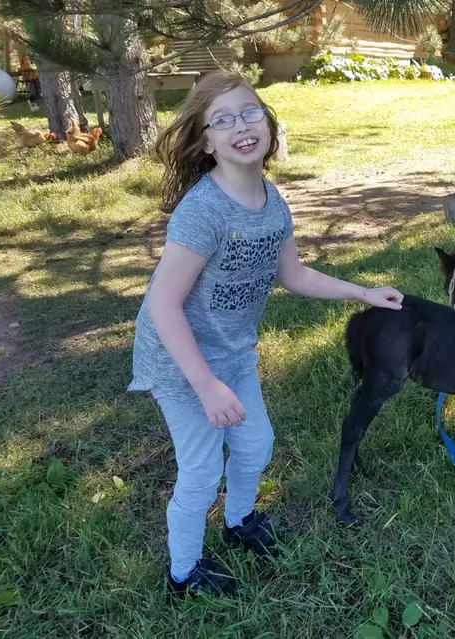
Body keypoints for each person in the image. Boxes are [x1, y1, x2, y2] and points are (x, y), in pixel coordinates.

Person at [128, 70, 403, 599]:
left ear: (269, 123)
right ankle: (183, 573)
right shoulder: (202, 212)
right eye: (223, 119)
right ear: (206, 141)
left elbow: (292, 274)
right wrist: (207, 386)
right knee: (202, 471)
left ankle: (239, 523)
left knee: (256, 444)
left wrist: (364, 294)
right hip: (181, 361)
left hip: (231, 354)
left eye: (250, 111)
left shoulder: (272, 201)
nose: (241, 126)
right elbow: (163, 304)